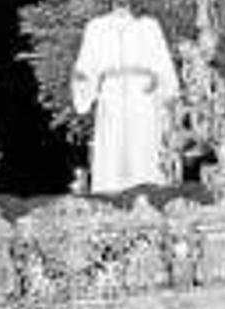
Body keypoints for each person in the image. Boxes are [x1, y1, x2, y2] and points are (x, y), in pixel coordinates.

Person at [72, 0, 180, 193]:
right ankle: (110, 200)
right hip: (111, 95)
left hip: (142, 96)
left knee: (144, 146)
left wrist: (166, 91)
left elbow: (164, 65)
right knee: (111, 149)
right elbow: (86, 66)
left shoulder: (149, 26)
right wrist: (82, 81)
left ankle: (149, 199)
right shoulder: (96, 27)